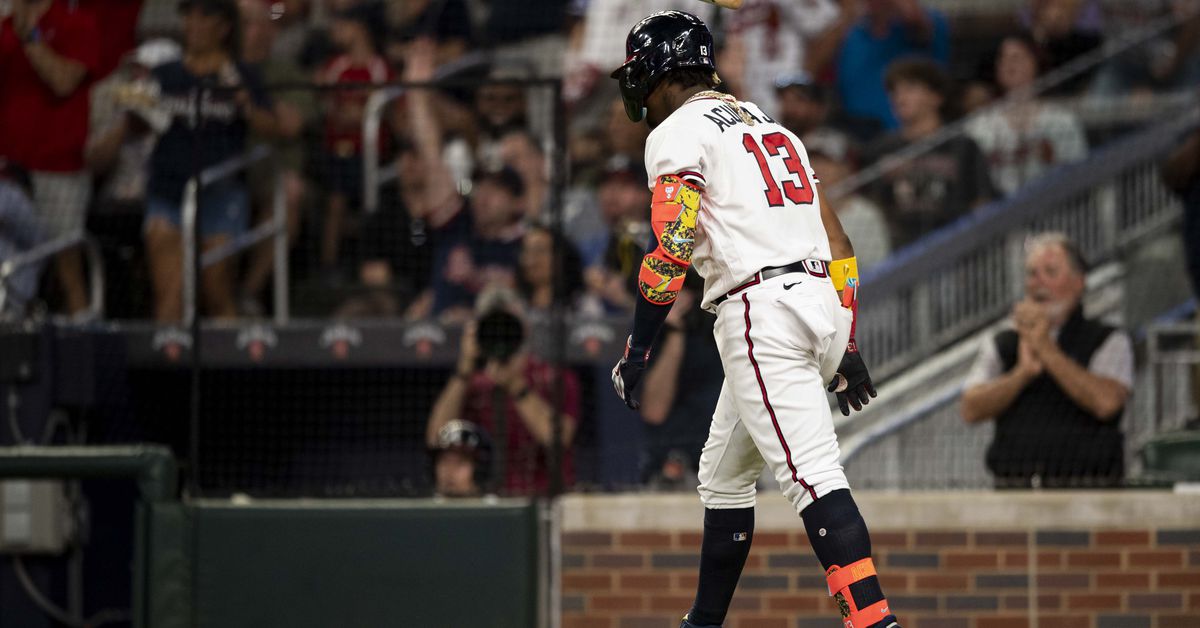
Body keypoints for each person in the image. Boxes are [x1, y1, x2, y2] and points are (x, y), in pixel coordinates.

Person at [608, 12, 899, 628]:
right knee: (722, 477)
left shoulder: (676, 131)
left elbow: (671, 249)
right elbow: (839, 241)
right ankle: (703, 622)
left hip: (761, 312)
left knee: (814, 479)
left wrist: (638, 349)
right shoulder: (772, 126)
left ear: (663, 72)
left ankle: (876, 623)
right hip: (817, 303)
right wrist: (844, 339)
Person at [960, 233, 1133, 488]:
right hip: (1016, 490)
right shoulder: (1003, 342)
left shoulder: (1109, 340)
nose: (1038, 282)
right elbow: (970, 408)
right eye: (1032, 274)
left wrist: (1046, 349)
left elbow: (1107, 403)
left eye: (1050, 272)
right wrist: (1021, 375)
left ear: (1078, 283)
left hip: (1087, 491)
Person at [0, 0, 101, 316]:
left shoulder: (77, 23)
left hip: (58, 169)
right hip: (10, 170)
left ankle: (83, 336)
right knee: (10, 263)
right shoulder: (5, 28)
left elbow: (63, 81)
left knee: (66, 266)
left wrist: (31, 36)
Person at [427, 301, 580, 496]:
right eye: (492, 328)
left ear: (524, 329)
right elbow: (436, 438)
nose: (500, 335)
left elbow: (558, 440)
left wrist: (516, 386)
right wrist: (463, 370)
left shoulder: (555, 379)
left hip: (546, 499)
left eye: (507, 326)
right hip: (489, 502)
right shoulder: (475, 385)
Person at [864, 58, 996, 247]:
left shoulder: (962, 145)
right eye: (894, 91)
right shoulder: (881, 149)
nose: (899, 97)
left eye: (910, 88)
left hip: (956, 247)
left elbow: (982, 200)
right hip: (900, 251)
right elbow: (874, 207)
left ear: (936, 97)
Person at [965, 34, 1088, 197]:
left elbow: (1079, 172)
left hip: (1052, 204)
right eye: (1002, 59)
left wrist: (1051, 159)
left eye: (1016, 58)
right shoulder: (979, 124)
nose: (1009, 64)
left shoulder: (1061, 120)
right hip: (1000, 208)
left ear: (1035, 63)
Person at [835, 0, 949, 135]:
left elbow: (915, 20)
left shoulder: (925, 22)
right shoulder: (854, 31)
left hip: (908, 132)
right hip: (857, 131)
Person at [429, 419, 492, 498]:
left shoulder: (495, 505)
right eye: (445, 462)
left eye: (460, 463)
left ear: (478, 470)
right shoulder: (423, 504)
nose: (450, 470)